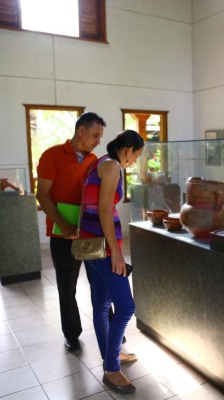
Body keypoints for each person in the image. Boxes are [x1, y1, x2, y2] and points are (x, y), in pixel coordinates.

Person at [80, 130, 144, 394]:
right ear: (127, 150)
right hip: (104, 248)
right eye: (137, 155)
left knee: (102, 305)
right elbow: (105, 209)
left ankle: (112, 355)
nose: (135, 161)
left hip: (90, 244)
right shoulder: (112, 166)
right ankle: (112, 368)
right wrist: (116, 252)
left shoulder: (100, 161)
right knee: (126, 307)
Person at [36, 112, 106, 352]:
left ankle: (108, 327)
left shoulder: (94, 160)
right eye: (95, 135)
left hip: (89, 233)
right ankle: (72, 334)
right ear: (81, 131)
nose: (98, 141)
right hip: (61, 235)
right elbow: (42, 195)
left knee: (100, 282)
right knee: (67, 287)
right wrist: (64, 226)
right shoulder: (52, 155)